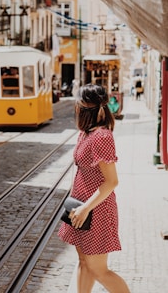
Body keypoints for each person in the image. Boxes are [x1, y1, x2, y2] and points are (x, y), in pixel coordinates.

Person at [58, 84, 130, 293]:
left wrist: (85, 208)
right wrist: (78, 208)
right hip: (80, 209)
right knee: (83, 262)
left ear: (85, 106)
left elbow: (111, 181)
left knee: (98, 269)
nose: (75, 107)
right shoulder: (85, 133)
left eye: (78, 103)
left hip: (95, 211)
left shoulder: (101, 137)